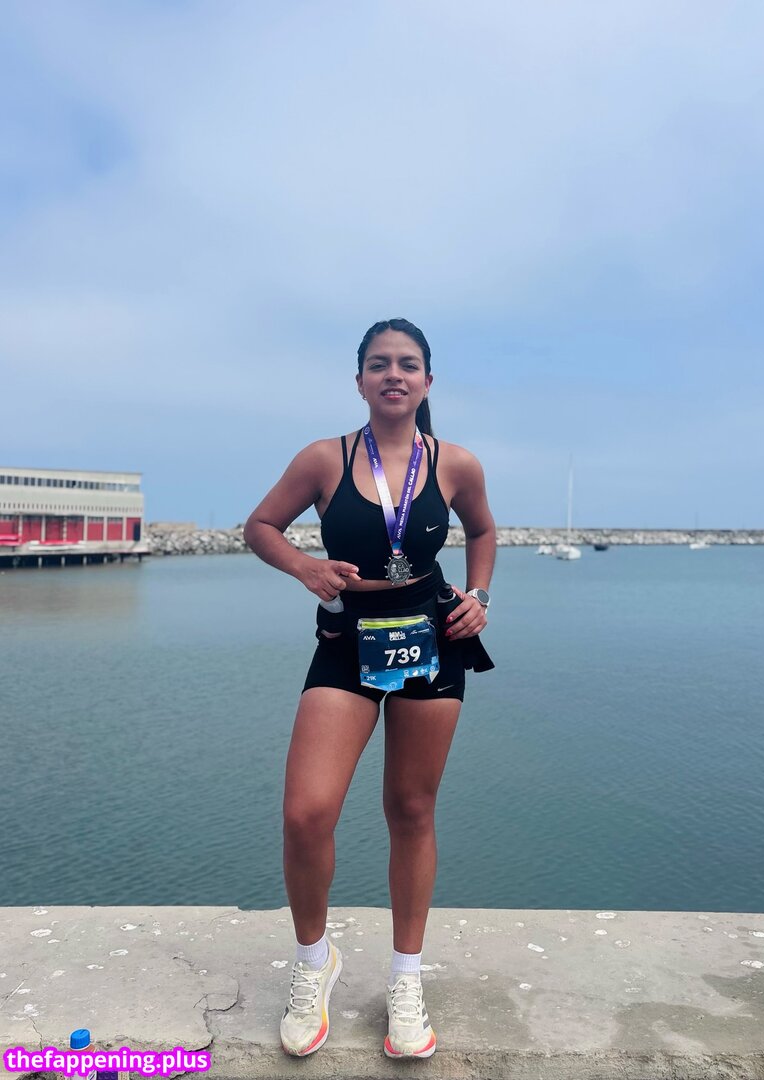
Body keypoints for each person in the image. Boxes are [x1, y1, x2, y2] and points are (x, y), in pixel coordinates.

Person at [243, 317, 495, 1060]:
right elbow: (261, 526)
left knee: (411, 809)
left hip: (433, 639)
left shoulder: (456, 464)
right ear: (359, 381)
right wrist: (304, 566)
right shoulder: (325, 458)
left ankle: (405, 979)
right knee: (306, 812)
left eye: (407, 364)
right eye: (379, 364)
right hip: (347, 641)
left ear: (427, 381)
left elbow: (483, 532)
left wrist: (480, 594)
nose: (394, 374)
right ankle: (314, 961)